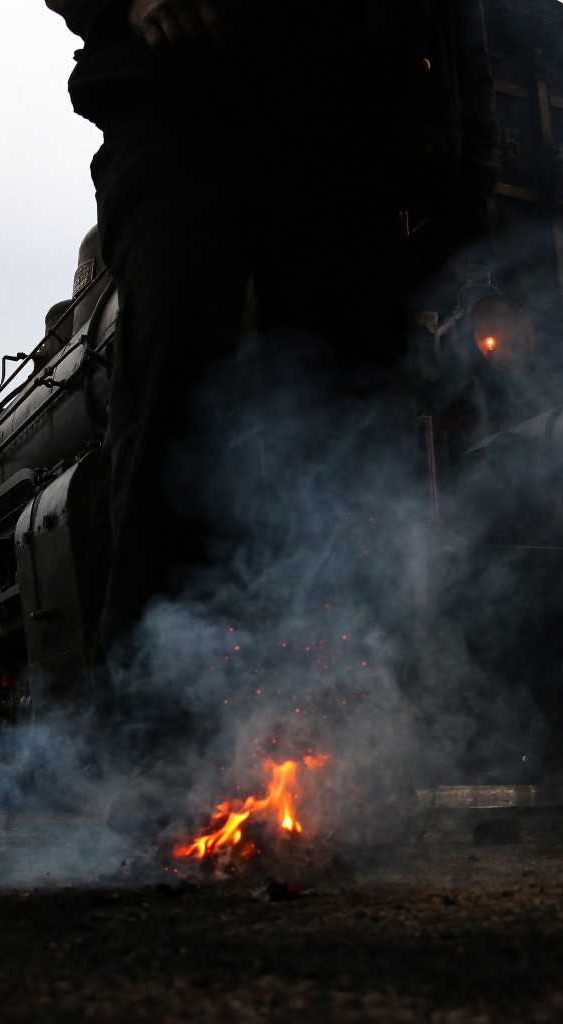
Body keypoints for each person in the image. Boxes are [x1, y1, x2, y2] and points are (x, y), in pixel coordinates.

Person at [45, 0, 497, 703]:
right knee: (176, 384)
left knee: (356, 416)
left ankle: (340, 721)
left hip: (355, 139)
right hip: (184, 101)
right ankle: (155, 722)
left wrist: (469, 173)